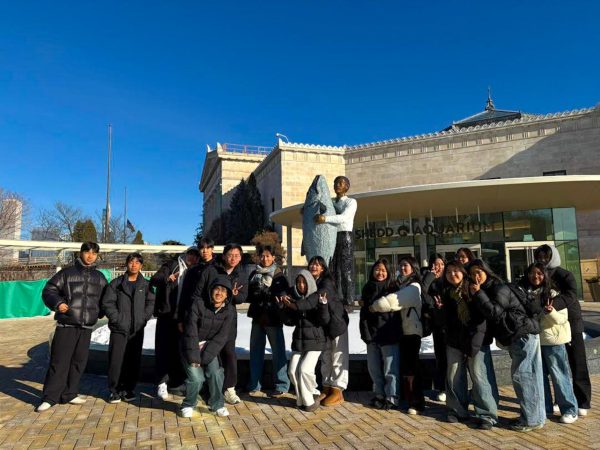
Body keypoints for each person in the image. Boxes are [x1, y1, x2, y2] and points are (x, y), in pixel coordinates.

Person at [469, 259, 545, 432]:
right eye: (472, 273)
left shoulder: (498, 288)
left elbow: (494, 312)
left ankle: (531, 420)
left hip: (521, 334)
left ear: (487, 271)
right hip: (524, 334)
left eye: (478, 272)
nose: (476, 276)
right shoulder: (492, 288)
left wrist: (479, 294)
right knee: (531, 376)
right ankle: (536, 417)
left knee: (523, 376)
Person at [37, 242, 108, 412]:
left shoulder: (99, 277)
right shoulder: (66, 273)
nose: (90, 256)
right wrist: (58, 303)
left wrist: (99, 313)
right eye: (87, 252)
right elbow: (49, 290)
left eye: (94, 253)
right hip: (66, 324)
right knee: (59, 361)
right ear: (81, 253)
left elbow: (106, 298)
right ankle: (50, 397)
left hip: (86, 327)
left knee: (78, 362)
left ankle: (70, 393)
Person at [534, 244, 591, 416]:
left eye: (546, 257)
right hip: (550, 327)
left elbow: (571, 295)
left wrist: (550, 304)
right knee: (558, 366)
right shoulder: (539, 274)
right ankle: (561, 399)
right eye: (540, 257)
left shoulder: (565, 274)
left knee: (577, 363)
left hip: (570, 324)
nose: (543, 260)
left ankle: (583, 401)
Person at [440, 260, 497, 429]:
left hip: (477, 340)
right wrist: (438, 309)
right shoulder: (446, 292)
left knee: (480, 377)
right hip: (455, 341)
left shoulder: (473, 288)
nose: (452, 275)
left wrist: (473, 344)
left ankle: (487, 414)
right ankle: (457, 410)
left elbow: (482, 319)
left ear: (463, 273)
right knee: (453, 375)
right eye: (449, 272)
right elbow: (445, 322)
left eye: (456, 271)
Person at [189, 243, 248, 405]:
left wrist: (232, 296)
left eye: (237, 255)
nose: (233, 258)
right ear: (223, 256)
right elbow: (198, 293)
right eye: (230, 255)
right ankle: (210, 389)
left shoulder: (241, 274)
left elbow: (243, 297)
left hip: (228, 319)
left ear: (241, 257)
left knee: (229, 352)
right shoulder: (211, 270)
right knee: (209, 351)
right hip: (208, 319)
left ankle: (229, 388)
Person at [520, 262, 578, 424]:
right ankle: (544, 408)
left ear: (545, 275)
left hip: (553, 341)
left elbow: (562, 319)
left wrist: (550, 312)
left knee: (560, 376)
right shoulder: (525, 293)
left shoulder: (553, 293)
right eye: (532, 273)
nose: (535, 276)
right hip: (535, 341)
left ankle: (569, 409)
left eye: (539, 273)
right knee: (539, 378)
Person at [371, 256, 425, 415]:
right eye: (400, 265)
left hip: (411, 332)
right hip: (402, 331)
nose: (402, 268)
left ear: (413, 268)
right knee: (405, 367)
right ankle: (406, 398)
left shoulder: (413, 287)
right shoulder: (400, 284)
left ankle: (416, 402)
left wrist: (374, 307)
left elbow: (392, 302)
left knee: (411, 368)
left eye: (406, 265)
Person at [295, 256, 349, 406]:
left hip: (336, 325)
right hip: (322, 327)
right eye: (312, 264)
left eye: (317, 265)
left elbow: (316, 298)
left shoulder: (326, 283)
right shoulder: (311, 282)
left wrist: (297, 304)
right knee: (326, 357)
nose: (314, 267)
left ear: (323, 268)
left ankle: (338, 390)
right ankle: (326, 386)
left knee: (338, 356)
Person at [102, 253, 155, 403]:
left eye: (137, 263)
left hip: (137, 330)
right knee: (116, 360)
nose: (134, 265)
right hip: (120, 328)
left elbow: (151, 302)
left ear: (141, 266)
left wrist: (143, 318)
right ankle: (114, 390)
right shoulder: (116, 283)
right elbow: (108, 303)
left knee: (133, 360)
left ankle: (128, 389)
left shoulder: (145, 285)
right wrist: (117, 319)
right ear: (127, 264)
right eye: (131, 262)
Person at [180, 276, 235, 418]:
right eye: (217, 289)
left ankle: (217, 404)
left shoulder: (229, 311)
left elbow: (221, 337)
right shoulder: (198, 304)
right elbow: (190, 331)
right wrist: (195, 357)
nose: (219, 293)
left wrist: (205, 357)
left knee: (216, 373)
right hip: (190, 345)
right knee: (197, 378)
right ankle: (188, 404)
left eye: (223, 291)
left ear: (227, 294)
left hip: (210, 348)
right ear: (211, 290)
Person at [150, 246, 201, 400]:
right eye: (190, 254)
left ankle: (176, 383)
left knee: (179, 351)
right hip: (167, 315)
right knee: (163, 349)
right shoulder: (172, 265)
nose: (193, 257)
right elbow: (154, 280)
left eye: (196, 256)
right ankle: (162, 383)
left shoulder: (195, 271)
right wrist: (167, 279)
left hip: (183, 318)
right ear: (185, 254)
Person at [279, 270, 330, 412]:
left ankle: (310, 401)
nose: (301, 285)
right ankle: (301, 399)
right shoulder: (295, 298)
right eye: (298, 282)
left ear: (310, 283)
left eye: (304, 282)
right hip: (300, 342)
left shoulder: (315, 297)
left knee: (305, 370)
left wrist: (323, 305)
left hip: (315, 341)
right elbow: (290, 321)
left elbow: (324, 320)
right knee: (292, 371)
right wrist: (282, 308)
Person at [455, 247, 499, 404]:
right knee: (478, 375)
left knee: (481, 375)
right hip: (470, 336)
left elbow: (491, 312)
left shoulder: (488, 286)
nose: (461, 259)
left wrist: (478, 293)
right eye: (458, 257)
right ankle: (486, 405)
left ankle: (488, 411)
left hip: (480, 336)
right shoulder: (466, 283)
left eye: (464, 257)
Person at [246, 245, 290, 397]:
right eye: (262, 256)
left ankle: (282, 385)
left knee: (278, 353)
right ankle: (254, 384)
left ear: (273, 257)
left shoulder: (279, 275)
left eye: (267, 256)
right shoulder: (254, 273)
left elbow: (284, 294)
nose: (265, 259)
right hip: (258, 317)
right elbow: (249, 296)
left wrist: (272, 295)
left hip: (273, 318)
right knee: (256, 352)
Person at [360, 258, 400, 409]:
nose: (380, 273)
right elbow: (364, 314)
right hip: (372, 333)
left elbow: (395, 314)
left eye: (383, 270)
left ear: (388, 271)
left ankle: (392, 396)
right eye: (377, 269)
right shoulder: (367, 287)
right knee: (374, 367)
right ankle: (379, 394)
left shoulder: (393, 288)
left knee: (390, 368)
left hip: (389, 333)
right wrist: (365, 333)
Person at [315, 176, 357, 305]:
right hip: (332, 237)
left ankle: (348, 300)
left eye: (340, 183)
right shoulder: (332, 202)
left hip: (345, 236)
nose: (337, 185)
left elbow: (344, 217)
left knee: (346, 270)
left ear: (347, 187)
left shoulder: (351, 202)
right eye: (335, 183)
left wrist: (325, 219)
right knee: (333, 269)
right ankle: (336, 297)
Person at [421, 253, 447, 402]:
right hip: (437, 325)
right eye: (436, 264)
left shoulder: (449, 279)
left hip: (450, 324)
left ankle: (454, 388)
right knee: (441, 358)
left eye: (442, 264)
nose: (439, 267)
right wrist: (430, 276)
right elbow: (423, 292)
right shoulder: (428, 280)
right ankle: (443, 388)